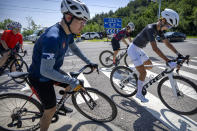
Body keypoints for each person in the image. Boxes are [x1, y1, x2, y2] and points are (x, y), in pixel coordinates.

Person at [28, 0, 97, 130]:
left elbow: (75, 49)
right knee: (50, 110)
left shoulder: (68, 32)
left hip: (52, 71)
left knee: (72, 84)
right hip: (40, 77)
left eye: (85, 22)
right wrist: (70, 80)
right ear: (68, 17)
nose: (83, 25)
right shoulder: (53, 37)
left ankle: (61, 105)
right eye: (81, 21)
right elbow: (46, 71)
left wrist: (89, 62)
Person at [127, 8, 183, 102]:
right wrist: (168, 60)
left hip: (139, 49)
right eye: (168, 26)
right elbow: (155, 48)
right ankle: (139, 94)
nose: (168, 28)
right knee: (143, 72)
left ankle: (139, 70)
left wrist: (179, 54)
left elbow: (167, 43)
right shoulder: (150, 29)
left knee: (150, 66)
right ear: (163, 21)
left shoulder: (159, 30)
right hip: (133, 49)